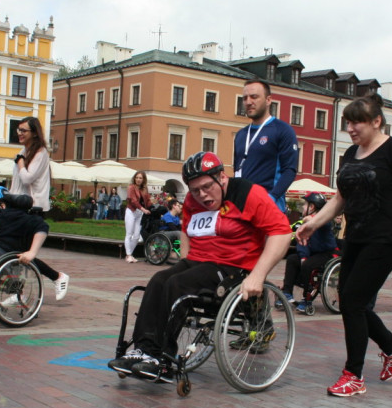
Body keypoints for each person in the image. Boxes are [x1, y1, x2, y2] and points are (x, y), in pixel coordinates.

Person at [296, 95, 392, 398]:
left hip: (388, 237)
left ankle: (354, 375)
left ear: (377, 121)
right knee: (352, 301)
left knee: (352, 301)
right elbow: (340, 199)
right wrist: (314, 222)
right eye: (347, 122)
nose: (350, 128)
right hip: (356, 237)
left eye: (357, 121)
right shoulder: (351, 153)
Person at [108, 152, 291, 378]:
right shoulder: (194, 200)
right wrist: (185, 258)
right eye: (195, 190)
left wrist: (258, 275)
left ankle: (162, 359)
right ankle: (143, 350)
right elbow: (187, 226)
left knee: (177, 284)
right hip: (199, 261)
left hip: (232, 267)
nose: (202, 195)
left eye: (206, 187)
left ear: (222, 178)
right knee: (158, 280)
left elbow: (281, 233)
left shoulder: (249, 194)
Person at [8, 116, 69, 300]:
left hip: (32, 208)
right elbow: (17, 183)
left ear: (34, 133)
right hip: (18, 206)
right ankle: (19, 292)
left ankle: (57, 277)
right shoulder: (23, 150)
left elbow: (27, 178)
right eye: (18, 130)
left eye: (23, 130)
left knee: (21, 253)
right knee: (17, 252)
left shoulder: (40, 152)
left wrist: (20, 162)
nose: (20, 133)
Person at [233, 80, 299, 212]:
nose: (248, 102)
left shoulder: (282, 130)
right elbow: (237, 170)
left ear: (268, 100)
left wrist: (271, 197)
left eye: (254, 97)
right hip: (244, 209)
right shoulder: (241, 135)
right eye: (245, 98)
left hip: (269, 208)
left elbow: (289, 170)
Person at [280, 192, 337, 314]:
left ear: (312, 207)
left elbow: (325, 224)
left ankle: (307, 299)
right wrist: (303, 256)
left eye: (305, 205)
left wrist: (311, 219)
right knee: (292, 259)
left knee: (308, 265)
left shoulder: (324, 220)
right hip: (311, 253)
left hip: (325, 253)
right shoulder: (304, 221)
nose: (302, 208)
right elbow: (302, 241)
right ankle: (286, 292)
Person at [123, 171, 151, 263]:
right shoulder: (131, 187)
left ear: (143, 179)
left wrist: (155, 206)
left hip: (139, 213)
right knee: (129, 233)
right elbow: (134, 201)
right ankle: (129, 255)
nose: (138, 179)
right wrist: (143, 209)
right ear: (134, 178)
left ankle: (129, 254)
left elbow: (148, 200)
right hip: (131, 211)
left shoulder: (144, 189)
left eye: (140, 178)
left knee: (136, 235)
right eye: (137, 177)